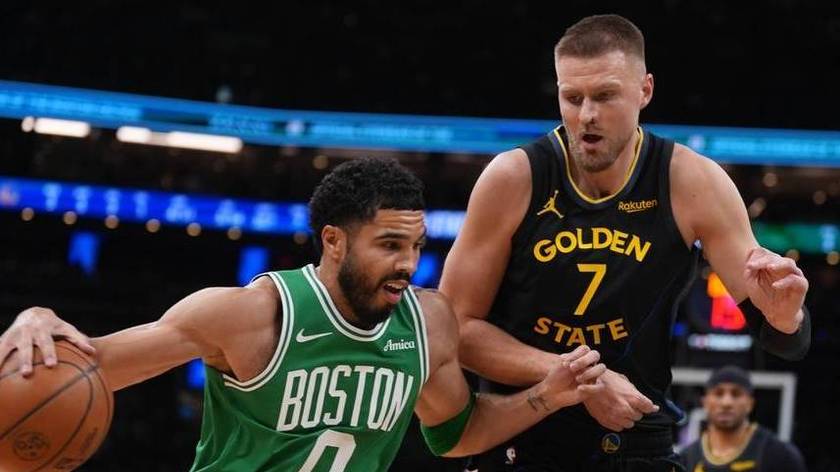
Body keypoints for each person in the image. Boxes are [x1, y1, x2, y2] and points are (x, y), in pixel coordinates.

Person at [0, 158, 609, 471]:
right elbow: (94, 366)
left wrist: (547, 396)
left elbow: (456, 435)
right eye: (389, 245)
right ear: (333, 242)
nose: (408, 263)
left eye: (416, 246)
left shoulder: (428, 323)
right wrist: (34, 317)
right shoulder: (251, 314)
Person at [439, 14, 811, 471]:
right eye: (572, 98)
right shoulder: (514, 178)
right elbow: (455, 330)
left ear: (645, 90)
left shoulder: (691, 181)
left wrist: (785, 316)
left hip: (635, 443)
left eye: (605, 96)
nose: (587, 116)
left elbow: (783, 339)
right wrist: (580, 378)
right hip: (520, 438)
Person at [680, 365, 807, 471]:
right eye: (718, 393)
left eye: (736, 394)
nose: (726, 402)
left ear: (750, 403)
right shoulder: (686, 459)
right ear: (705, 402)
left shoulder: (780, 455)